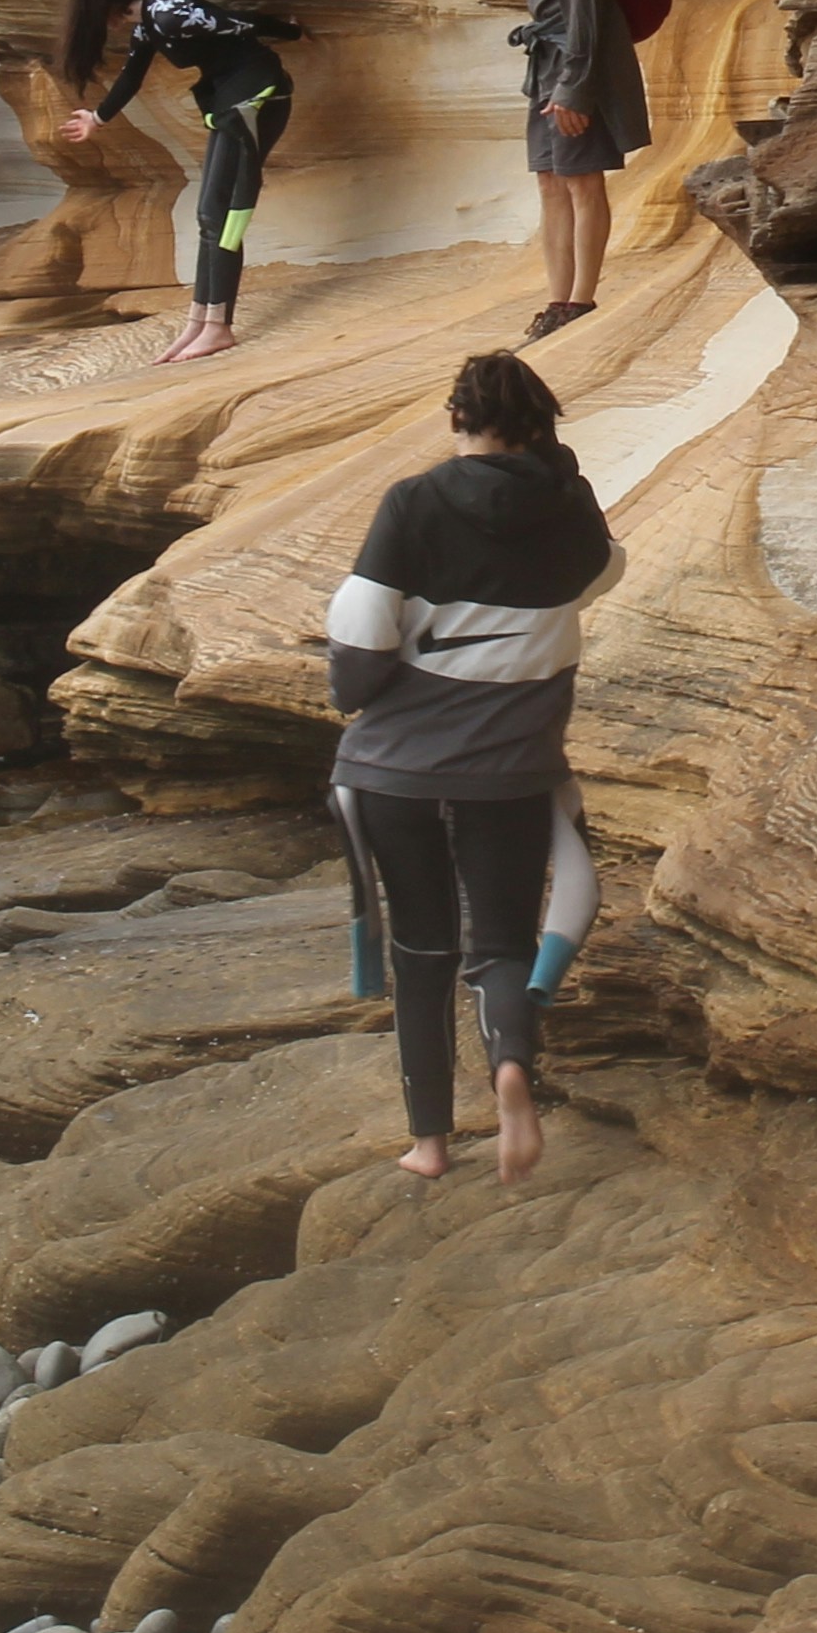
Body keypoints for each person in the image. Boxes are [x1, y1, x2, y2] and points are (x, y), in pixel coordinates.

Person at [326, 351, 611, 1184]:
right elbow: (601, 569)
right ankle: (512, 1071)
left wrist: (378, 672)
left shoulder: (412, 503)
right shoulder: (573, 510)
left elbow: (359, 649)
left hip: (392, 775)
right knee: (500, 944)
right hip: (513, 777)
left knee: (422, 949)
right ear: (541, 424)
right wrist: (557, 474)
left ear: (456, 418)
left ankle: (431, 1144)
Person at [461, 0, 650, 339]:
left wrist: (576, 86)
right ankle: (558, 300)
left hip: (572, 58)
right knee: (551, 178)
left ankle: (580, 302)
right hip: (552, 54)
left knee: (582, 179)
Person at [51, 0, 302, 366]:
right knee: (208, 215)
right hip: (231, 103)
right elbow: (133, 74)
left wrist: (288, 32)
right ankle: (200, 319)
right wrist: (97, 118)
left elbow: (238, 21)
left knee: (224, 215)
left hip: (258, 98)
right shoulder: (149, 24)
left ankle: (219, 327)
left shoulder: (169, 12)